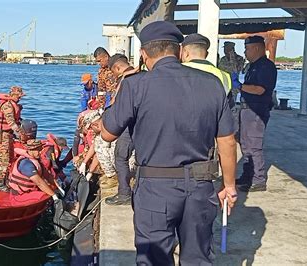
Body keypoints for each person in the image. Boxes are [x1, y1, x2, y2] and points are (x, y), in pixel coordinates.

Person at [100, 21, 237, 265]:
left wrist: (120, 93)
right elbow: (227, 141)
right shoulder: (213, 83)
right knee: (198, 258)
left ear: (143, 54)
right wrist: (229, 185)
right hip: (200, 186)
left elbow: (108, 133)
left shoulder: (135, 85)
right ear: (179, 51)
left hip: (155, 188)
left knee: (154, 259)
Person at [236, 35, 277, 192]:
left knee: (254, 146)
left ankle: (258, 179)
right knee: (246, 145)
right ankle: (248, 177)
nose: (245, 52)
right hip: (247, 109)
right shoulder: (253, 66)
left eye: (247, 49)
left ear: (257, 48)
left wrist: (239, 86)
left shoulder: (265, 66)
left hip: (256, 110)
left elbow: (259, 89)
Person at [105, 53, 138, 205]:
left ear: (117, 67)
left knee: (120, 157)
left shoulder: (126, 80)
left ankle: (124, 192)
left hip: (128, 124)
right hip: (144, 123)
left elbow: (118, 105)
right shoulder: (142, 74)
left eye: (113, 72)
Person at [181, 33, 234, 107]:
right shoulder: (224, 76)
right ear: (206, 54)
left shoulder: (174, 71)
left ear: (185, 53)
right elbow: (228, 108)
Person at [0, 86, 26, 192]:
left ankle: (6, 180)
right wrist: (21, 134)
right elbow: (12, 123)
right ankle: (0, 184)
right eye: (19, 96)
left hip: (8, 135)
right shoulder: (7, 106)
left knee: (10, 157)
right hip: (2, 135)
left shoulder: (13, 105)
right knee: (4, 160)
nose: (20, 98)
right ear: (13, 95)